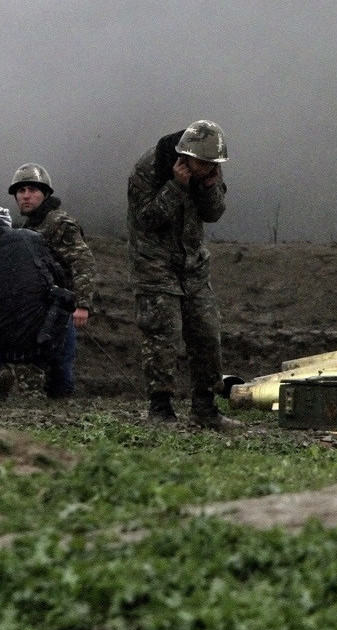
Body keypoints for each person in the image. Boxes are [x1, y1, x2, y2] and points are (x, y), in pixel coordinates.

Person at [126, 119, 239, 428]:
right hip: (154, 263)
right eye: (201, 163)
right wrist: (176, 186)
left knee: (206, 332)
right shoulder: (149, 168)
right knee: (163, 334)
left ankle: (205, 408)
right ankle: (160, 409)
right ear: (185, 155)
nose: (205, 167)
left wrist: (207, 186)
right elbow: (146, 219)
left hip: (192, 264)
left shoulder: (210, 170)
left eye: (211, 163)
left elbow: (213, 213)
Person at [0, 205, 77, 400]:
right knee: (63, 315)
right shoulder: (32, 238)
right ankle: (62, 389)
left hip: (0, 344)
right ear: (7, 223)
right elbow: (60, 279)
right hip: (45, 339)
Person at [9, 163, 98, 330]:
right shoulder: (30, 226)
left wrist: (82, 305)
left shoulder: (58, 223)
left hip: (59, 311)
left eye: (32, 190)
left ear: (46, 194)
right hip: (36, 309)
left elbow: (83, 261)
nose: (26, 196)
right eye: (21, 191)